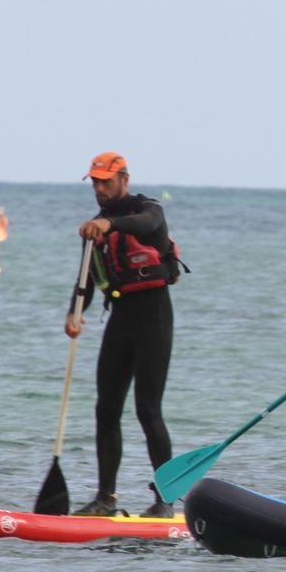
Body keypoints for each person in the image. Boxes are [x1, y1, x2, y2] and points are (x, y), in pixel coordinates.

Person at [67, 152, 184, 518]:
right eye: (95, 183)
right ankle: (106, 498)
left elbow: (147, 222)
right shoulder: (94, 228)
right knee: (105, 409)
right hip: (120, 320)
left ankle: (165, 501)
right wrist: (74, 313)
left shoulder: (148, 209)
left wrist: (110, 225)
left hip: (154, 318)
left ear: (124, 180)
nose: (100, 189)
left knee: (148, 410)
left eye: (106, 181)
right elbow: (85, 280)